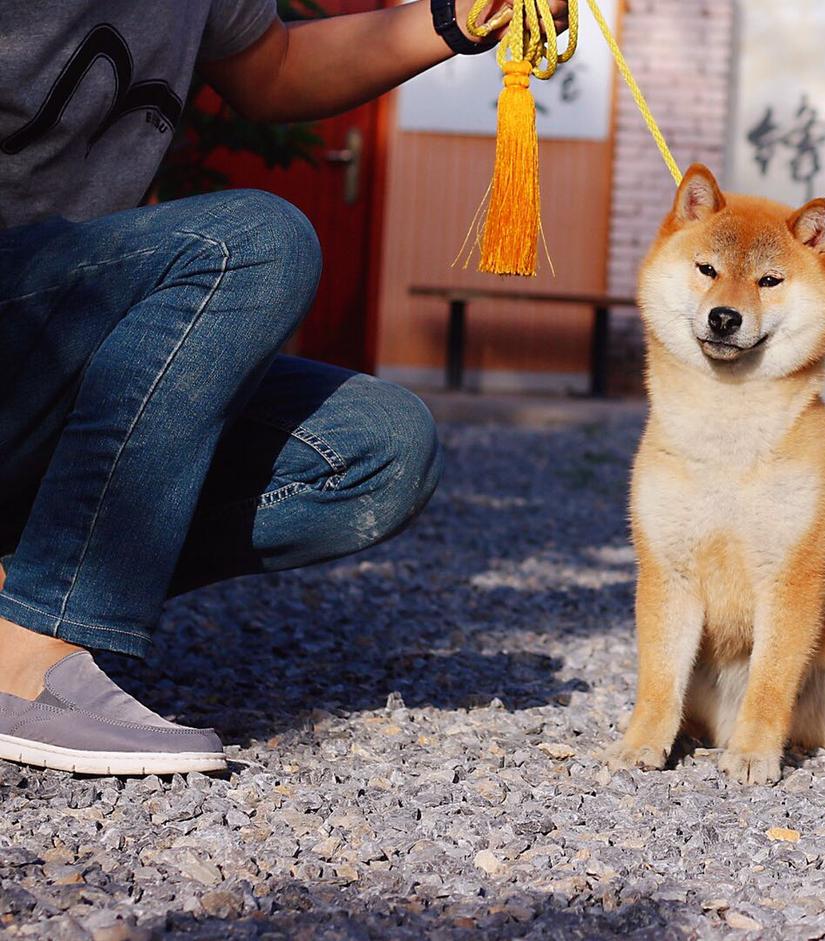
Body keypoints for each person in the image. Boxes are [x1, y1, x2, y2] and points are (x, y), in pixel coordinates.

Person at [0, 0, 566, 776]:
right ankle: (28, 657)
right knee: (252, 242)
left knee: (379, 449)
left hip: (60, 345)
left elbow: (274, 71)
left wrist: (452, 20)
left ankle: (22, 595)